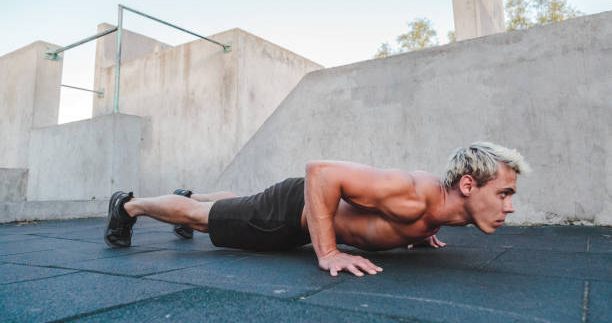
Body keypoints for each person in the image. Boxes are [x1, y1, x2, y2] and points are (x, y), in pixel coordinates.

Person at [104, 141, 530, 277]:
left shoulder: (434, 210)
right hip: (291, 214)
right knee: (202, 222)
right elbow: (320, 172)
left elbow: (406, 218)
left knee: (234, 204)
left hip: (296, 210)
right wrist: (326, 252)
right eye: (505, 193)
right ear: (469, 184)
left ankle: (189, 194)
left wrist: (423, 231)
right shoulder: (412, 193)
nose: (509, 206)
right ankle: (130, 207)